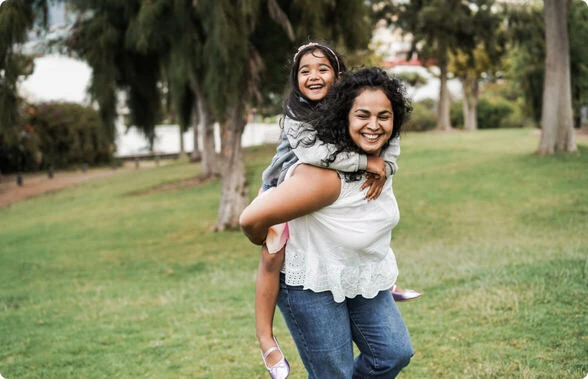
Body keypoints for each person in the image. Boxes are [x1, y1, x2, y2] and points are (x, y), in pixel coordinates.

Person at [254, 42, 418, 378]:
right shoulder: (296, 118)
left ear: (338, 77)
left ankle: (388, 283)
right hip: (283, 188)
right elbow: (315, 156)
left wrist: (386, 163)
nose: (314, 77)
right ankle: (265, 338)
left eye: (323, 69)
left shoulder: (353, 115)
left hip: (354, 269)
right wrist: (366, 162)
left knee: (393, 353)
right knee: (271, 255)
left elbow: (387, 130)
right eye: (305, 71)